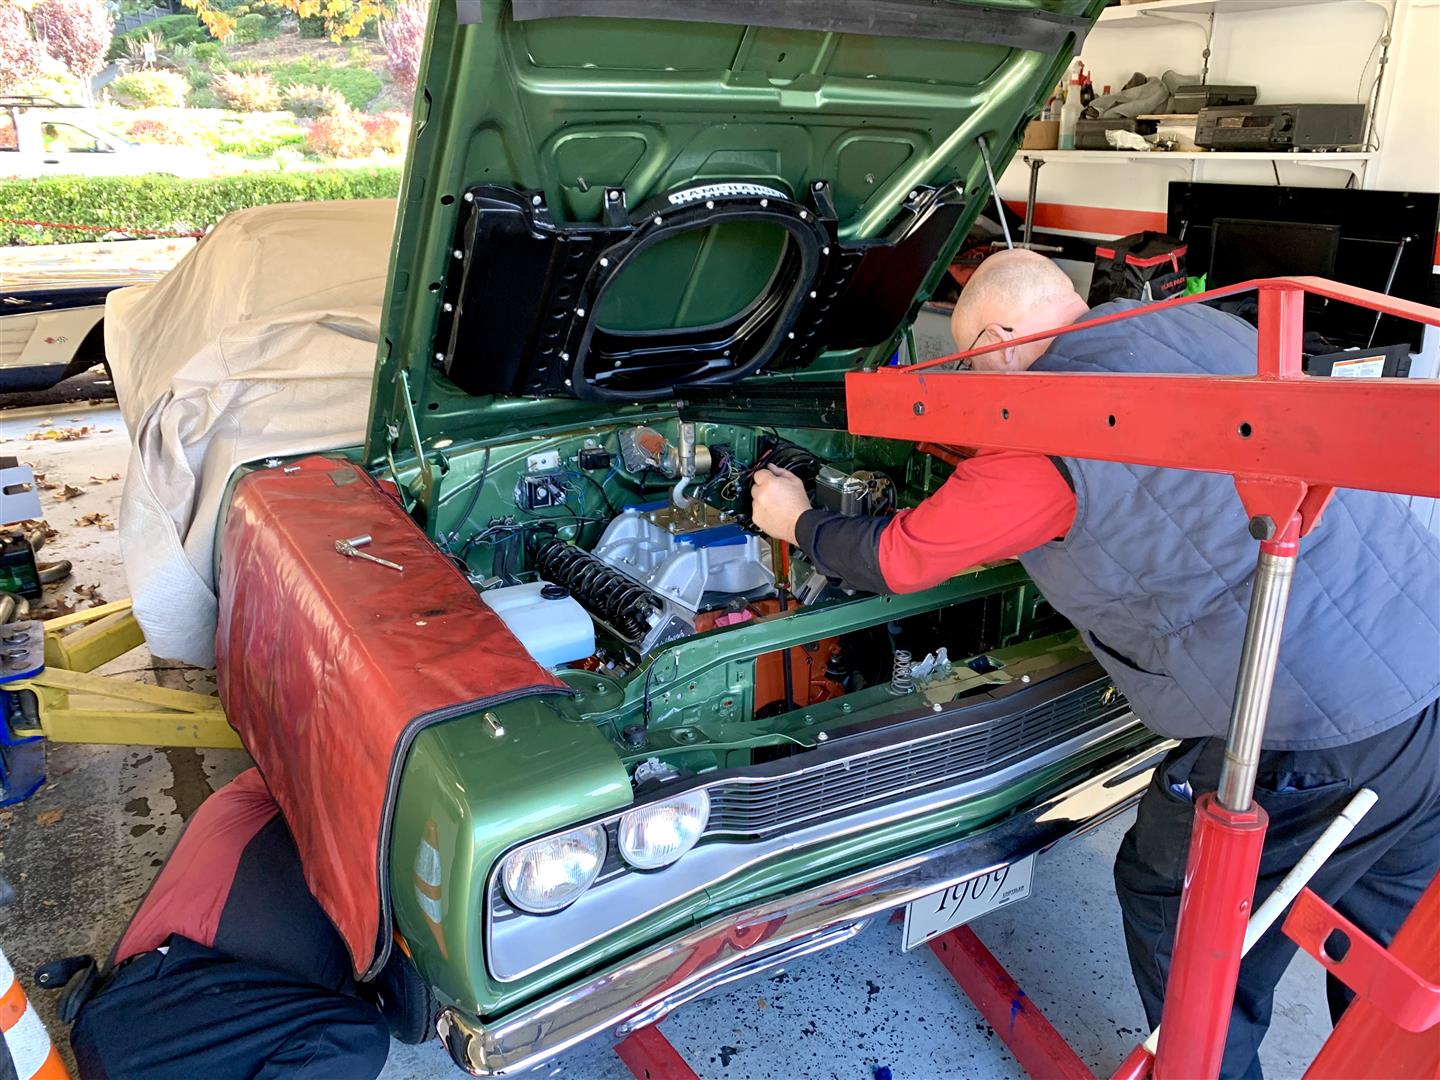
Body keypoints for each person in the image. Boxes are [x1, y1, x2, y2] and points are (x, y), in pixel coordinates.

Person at [749, 249, 1440, 1080]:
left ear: (1004, 338)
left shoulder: (1056, 434)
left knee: (1173, 902)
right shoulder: (1196, 324)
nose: (976, 378)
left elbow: (900, 558)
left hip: (1307, 721)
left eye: (971, 361)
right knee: (1386, 934)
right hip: (1420, 672)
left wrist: (794, 522)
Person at [60, 768, 391, 1080]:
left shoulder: (289, 797)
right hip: (138, 1018)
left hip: (144, 1013)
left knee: (353, 1035)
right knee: (352, 1028)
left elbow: (348, 1035)